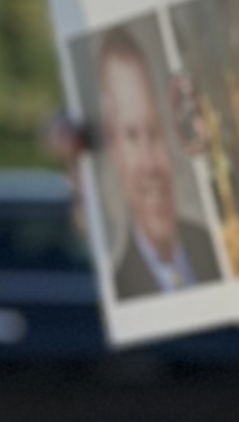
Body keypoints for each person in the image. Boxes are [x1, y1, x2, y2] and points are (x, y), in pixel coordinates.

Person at [94, 29, 220, 297]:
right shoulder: (120, 290)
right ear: (113, 150)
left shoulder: (214, 248)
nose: (149, 163)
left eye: (154, 132)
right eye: (132, 136)